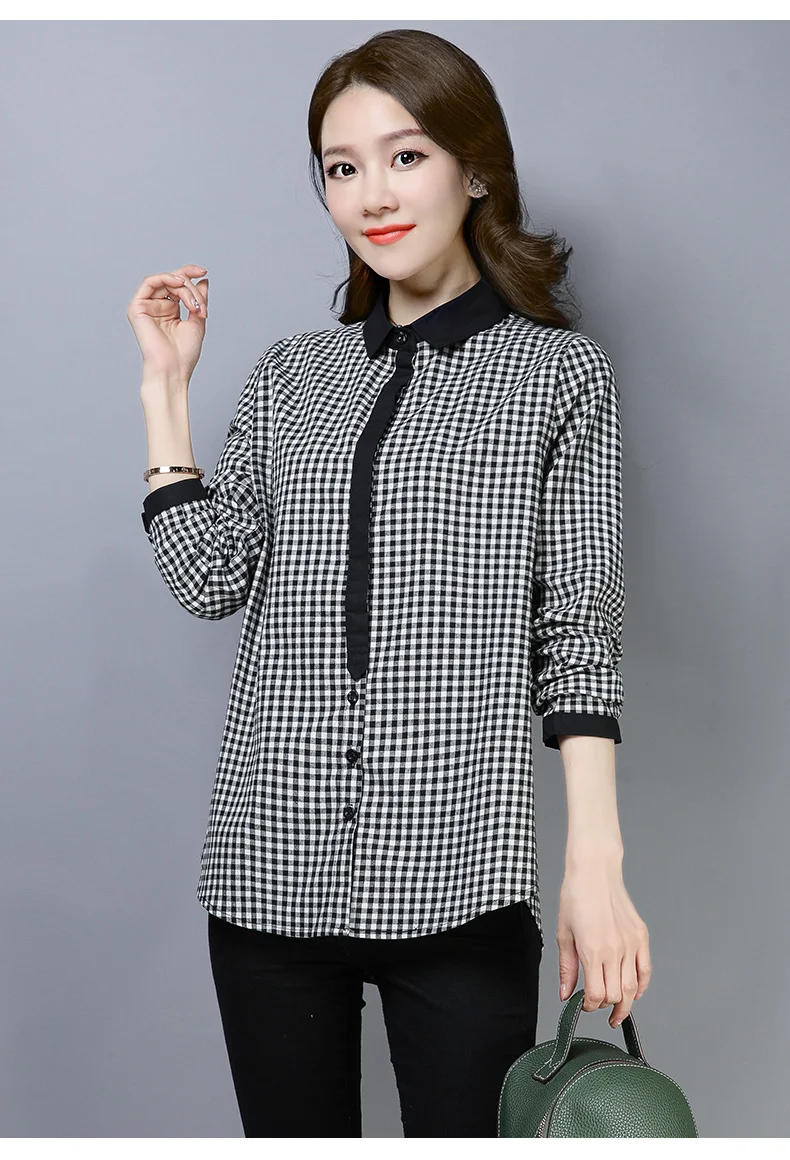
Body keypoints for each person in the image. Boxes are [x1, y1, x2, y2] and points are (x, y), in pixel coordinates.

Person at [126, 27, 651, 1139]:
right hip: (267, 868)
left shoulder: (559, 375)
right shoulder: (291, 375)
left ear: (475, 168)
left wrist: (594, 865)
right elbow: (211, 576)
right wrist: (167, 395)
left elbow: (578, 631)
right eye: (341, 166)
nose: (372, 194)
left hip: (461, 874)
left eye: (405, 155)